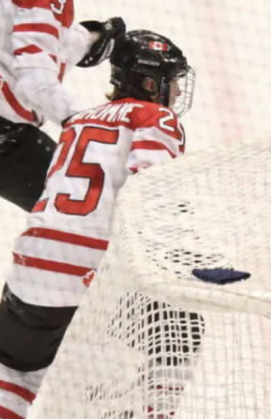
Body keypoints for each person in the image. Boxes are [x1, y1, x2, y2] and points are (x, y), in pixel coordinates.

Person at [0, 29, 193, 419]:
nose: (175, 94)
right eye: (171, 83)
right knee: (179, 332)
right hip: (93, 269)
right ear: (150, 83)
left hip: (33, 264)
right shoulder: (156, 118)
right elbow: (147, 190)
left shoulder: (77, 122)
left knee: (16, 371)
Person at [0, 0, 125, 211]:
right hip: (7, 138)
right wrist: (89, 126)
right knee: (84, 206)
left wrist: (91, 38)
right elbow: (37, 83)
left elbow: (30, 38)